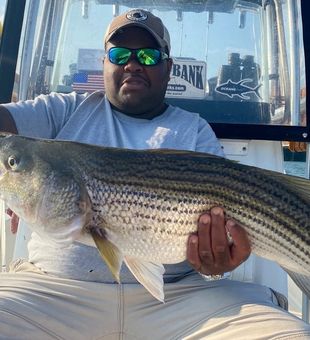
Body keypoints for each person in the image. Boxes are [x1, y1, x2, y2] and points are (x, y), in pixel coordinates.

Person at [0, 8, 309, 339]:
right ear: (104, 63)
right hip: (50, 293)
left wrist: (217, 262)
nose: (133, 64)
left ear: (168, 67)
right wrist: (19, 189)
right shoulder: (62, 110)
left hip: (181, 301)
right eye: (119, 54)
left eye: (148, 55)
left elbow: (220, 248)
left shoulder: (194, 130)